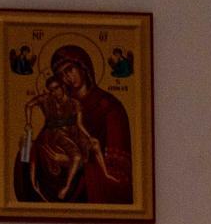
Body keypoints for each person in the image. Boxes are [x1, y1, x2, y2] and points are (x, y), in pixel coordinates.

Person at [15, 45, 132, 204]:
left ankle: (65, 187)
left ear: (83, 66)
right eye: (61, 75)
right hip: (56, 166)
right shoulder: (58, 104)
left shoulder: (109, 107)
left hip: (87, 186)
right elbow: (47, 135)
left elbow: (120, 175)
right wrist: (29, 144)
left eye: (70, 69)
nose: (67, 77)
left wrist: (72, 162)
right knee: (25, 153)